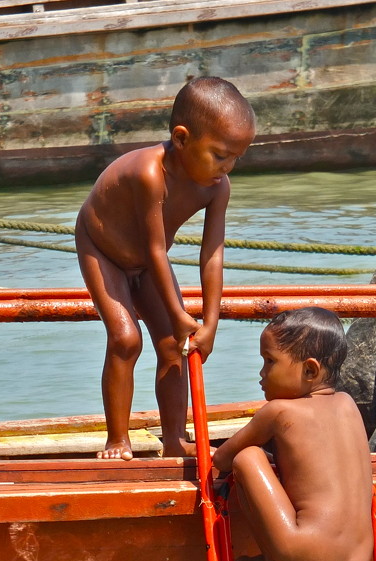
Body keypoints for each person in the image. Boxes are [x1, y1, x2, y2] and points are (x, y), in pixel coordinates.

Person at [75, 76, 256, 460]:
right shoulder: (149, 173)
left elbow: (213, 254)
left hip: (145, 260)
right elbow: (157, 249)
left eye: (237, 157)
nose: (228, 168)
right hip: (102, 249)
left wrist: (209, 323)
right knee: (126, 340)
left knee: (175, 346)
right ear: (181, 138)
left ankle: (174, 437)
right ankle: (117, 440)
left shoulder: (217, 187)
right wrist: (177, 313)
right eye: (220, 155)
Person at [212, 307, 374, 561]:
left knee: (249, 457)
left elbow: (223, 457)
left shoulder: (278, 411)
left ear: (310, 370)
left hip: (305, 551)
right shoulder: (349, 406)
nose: (261, 374)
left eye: (269, 362)